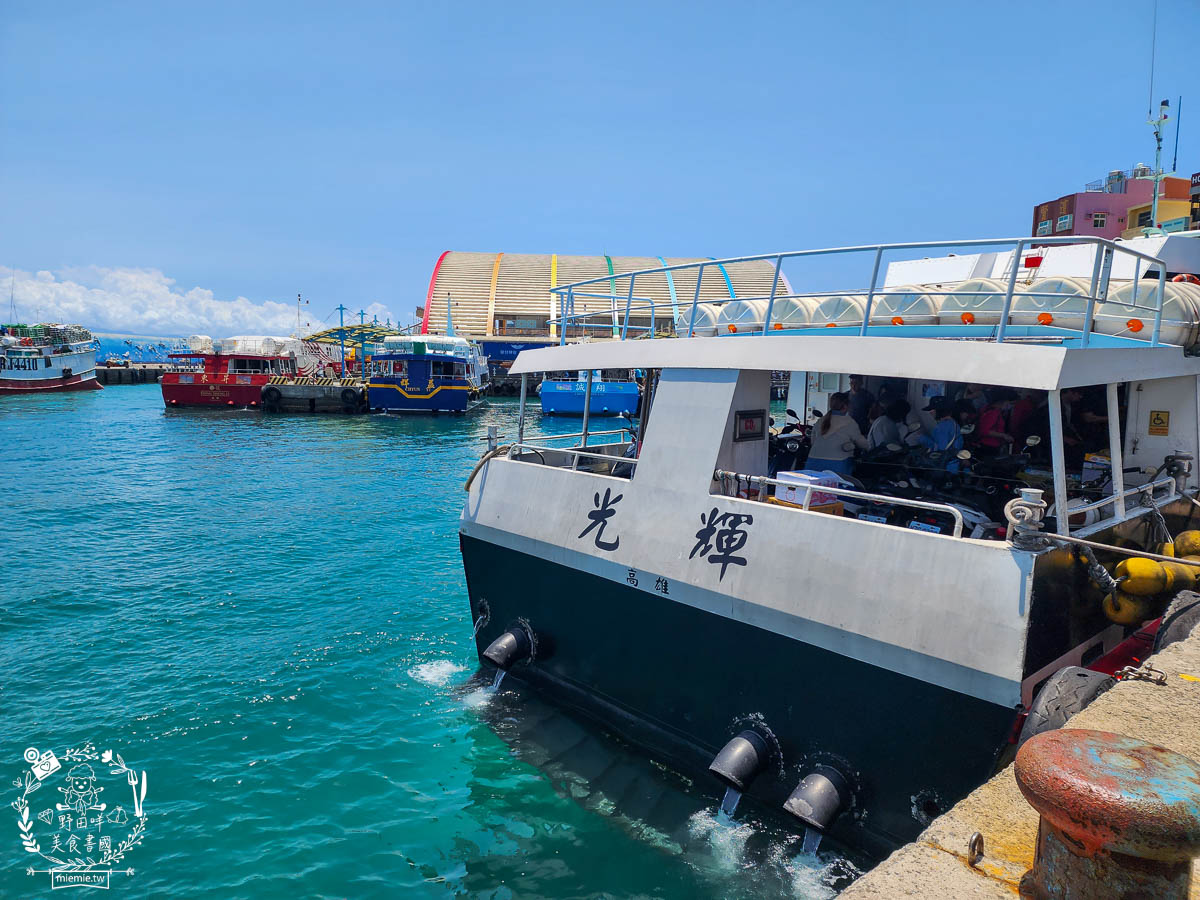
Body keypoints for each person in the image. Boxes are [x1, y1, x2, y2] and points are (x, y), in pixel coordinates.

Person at [807, 391, 869, 475]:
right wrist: (871, 447)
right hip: (838, 464)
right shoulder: (849, 422)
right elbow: (861, 443)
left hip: (813, 462)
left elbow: (813, 441)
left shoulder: (821, 420)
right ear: (845, 406)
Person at [976, 388, 1017, 453]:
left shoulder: (988, 409)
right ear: (1004, 401)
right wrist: (1003, 435)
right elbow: (985, 431)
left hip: (990, 445)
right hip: (988, 446)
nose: (1011, 406)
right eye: (1011, 403)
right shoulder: (993, 412)